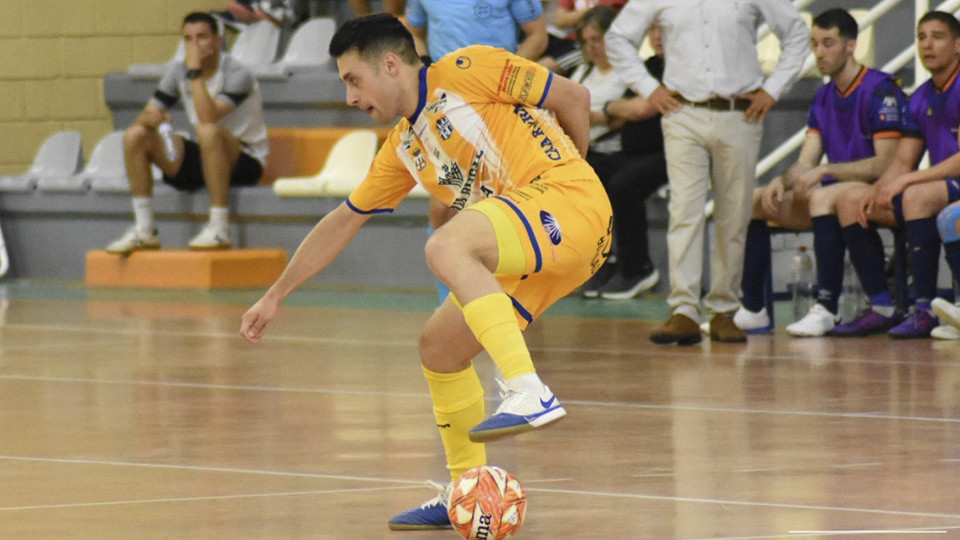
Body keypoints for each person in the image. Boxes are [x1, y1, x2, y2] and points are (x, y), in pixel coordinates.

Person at [239, 14, 611, 531]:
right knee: (439, 348)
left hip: (569, 203)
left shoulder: (465, 69)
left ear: (390, 64)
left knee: (446, 243)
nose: (350, 97)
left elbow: (576, 98)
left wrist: (569, 185)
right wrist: (277, 294)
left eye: (353, 79)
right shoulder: (404, 148)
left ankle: (529, 387)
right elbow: (343, 220)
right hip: (529, 239)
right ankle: (468, 490)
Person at [606, 0, 808, 345]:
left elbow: (797, 32)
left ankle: (723, 310)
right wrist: (648, 87)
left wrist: (773, 90)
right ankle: (683, 310)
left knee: (735, 212)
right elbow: (617, 37)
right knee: (684, 209)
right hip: (683, 111)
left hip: (740, 112)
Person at [732, 9, 906, 337]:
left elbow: (884, 163)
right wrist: (778, 181)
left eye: (829, 43)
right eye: (815, 44)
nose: (820, 52)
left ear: (851, 46)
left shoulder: (880, 89)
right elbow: (805, 162)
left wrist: (827, 170)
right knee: (755, 200)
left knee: (823, 196)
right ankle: (753, 308)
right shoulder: (824, 96)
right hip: (833, 194)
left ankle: (827, 307)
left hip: (874, 189)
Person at [404, 0, 550, 302]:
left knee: (500, 201)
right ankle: (450, 302)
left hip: (496, 103)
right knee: (442, 207)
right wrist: (427, 63)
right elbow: (413, 32)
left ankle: (511, 298)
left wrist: (501, 73)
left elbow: (538, 35)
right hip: (447, 104)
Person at [834, 10, 960, 339]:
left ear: (958, 45)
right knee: (851, 200)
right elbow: (904, 161)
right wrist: (881, 188)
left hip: (950, 184)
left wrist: (906, 181)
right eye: (921, 37)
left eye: (938, 36)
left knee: (917, 194)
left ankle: (925, 308)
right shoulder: (919, 97)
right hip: (942, 187)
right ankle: (882, 306)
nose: (927, 44)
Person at [106, 12, 268, 255]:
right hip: (207, 155)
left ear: (216, 40)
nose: (194, 45)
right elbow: (145, 115)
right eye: (188, 39)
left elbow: (208, 116)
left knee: (208, 131)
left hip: (244, 160)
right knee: (136, 135)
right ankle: (145, 229)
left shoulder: (237, 73)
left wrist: (194, 71)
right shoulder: (178, 71)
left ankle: (220, 228)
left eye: (202, 37)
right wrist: (155, 118)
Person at [574, 11, 665, 299]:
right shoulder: (650, 65)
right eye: (653, 31)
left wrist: (611, 108)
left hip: (666, 150)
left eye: (597, 39)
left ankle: (637, 268)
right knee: (584, 177)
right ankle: (603, 258)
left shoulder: (671, 69)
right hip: (629, 148)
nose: (657, 38)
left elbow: (639, 109)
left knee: (623, 185)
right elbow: (629, 107)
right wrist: (618, 108)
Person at [539, 0, 626, 75]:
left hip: (601, 40)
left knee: (545, 67)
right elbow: (560, 19)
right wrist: (591, 11)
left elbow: (603, 13)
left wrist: (581, 14)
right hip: (575, 39)